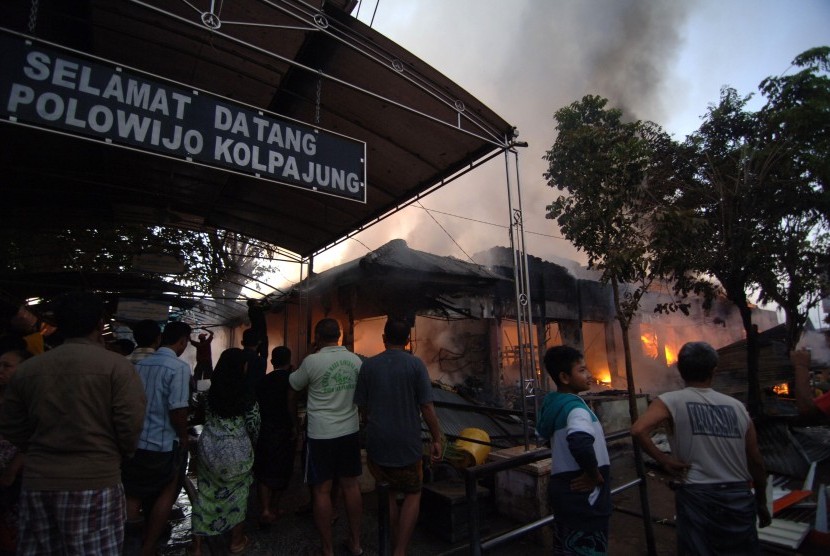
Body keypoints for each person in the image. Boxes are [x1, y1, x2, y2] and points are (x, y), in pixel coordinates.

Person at [0, 291, 146, 555]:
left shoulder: (29, 369)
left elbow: (11, 424)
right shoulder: (117, 367)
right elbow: (130, 425)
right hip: (95, 481)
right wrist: (115, 454)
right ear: (100, 324)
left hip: (38, 483)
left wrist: (36, 448)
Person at [631, 341, 771, 555]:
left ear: (679, 369)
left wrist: (664, 460)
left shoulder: (670, 401)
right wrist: (761, 502)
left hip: (697, 495)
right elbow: (756, 461)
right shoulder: (737, 407)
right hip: (738, 495)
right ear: (714, 370)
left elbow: (639, 430)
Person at [353, 318, 442, 556]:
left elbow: (362, 408)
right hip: (408, 443)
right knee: (413, 492)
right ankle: (400, 550)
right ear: (407, 341)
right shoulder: (416, 366)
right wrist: (437, 438)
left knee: (389, 492)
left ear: (384, 338)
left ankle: (393, 543)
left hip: (378, 441)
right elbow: (427, 407)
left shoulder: (369, 366)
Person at [289, 318, 363, 556]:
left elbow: (293, 388)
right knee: (351, 487)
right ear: (339, 336)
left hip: (321, 434)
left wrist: (294, 423)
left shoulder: (311, 361)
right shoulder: (355, 360)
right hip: (350, 431)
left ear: (317, 337)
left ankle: (328, 549)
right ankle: (356, 543)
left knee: (321, 489)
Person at [122, 321, 192, 556]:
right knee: (167, 491)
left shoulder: (141, 365)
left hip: (136, 441)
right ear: (182, 341)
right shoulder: (178, 368)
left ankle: (128, 543)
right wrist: (183, 436)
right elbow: (178, 408)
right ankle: (149, 546)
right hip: (162, 442)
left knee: (133, 492)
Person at [536, 345, 611, 556]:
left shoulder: (555, 404)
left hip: (566, 495)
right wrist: (593, 474)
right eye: (582, 370)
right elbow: (579, 441)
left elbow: (549, 440)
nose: (589, 375)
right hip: (585, 500)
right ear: (564, 377)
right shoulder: (575, 408)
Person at [191, 348, 260, 555]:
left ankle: (197, 546)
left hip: (209, 449)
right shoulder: (247, 396)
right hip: (237, 451)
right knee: (238, 494)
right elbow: (254, 425)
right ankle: (236, 541)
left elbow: (200, 417)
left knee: (205, 493)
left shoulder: (209, 395)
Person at [254, 346, 297, 526]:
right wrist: (295, 426)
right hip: (284, 430)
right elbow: (291, 404)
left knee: (264, 469)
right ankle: (275, 506)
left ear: (272, 362)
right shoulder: (292, 381)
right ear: (290, 361)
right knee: (283, 469)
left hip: (265, 428)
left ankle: (264, 509)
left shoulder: (263, 381)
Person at [0, 347, 31, 556]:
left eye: (7, 366)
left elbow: (33, 439)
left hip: (15, 478)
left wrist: (12, 470)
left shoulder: (29, 401)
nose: (0, 371)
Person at [242, 328, 267, 396]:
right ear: (259, 342)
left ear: (242, 342)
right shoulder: (260, 361)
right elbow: (259, 385)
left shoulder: (231, 355)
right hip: (248, 401)